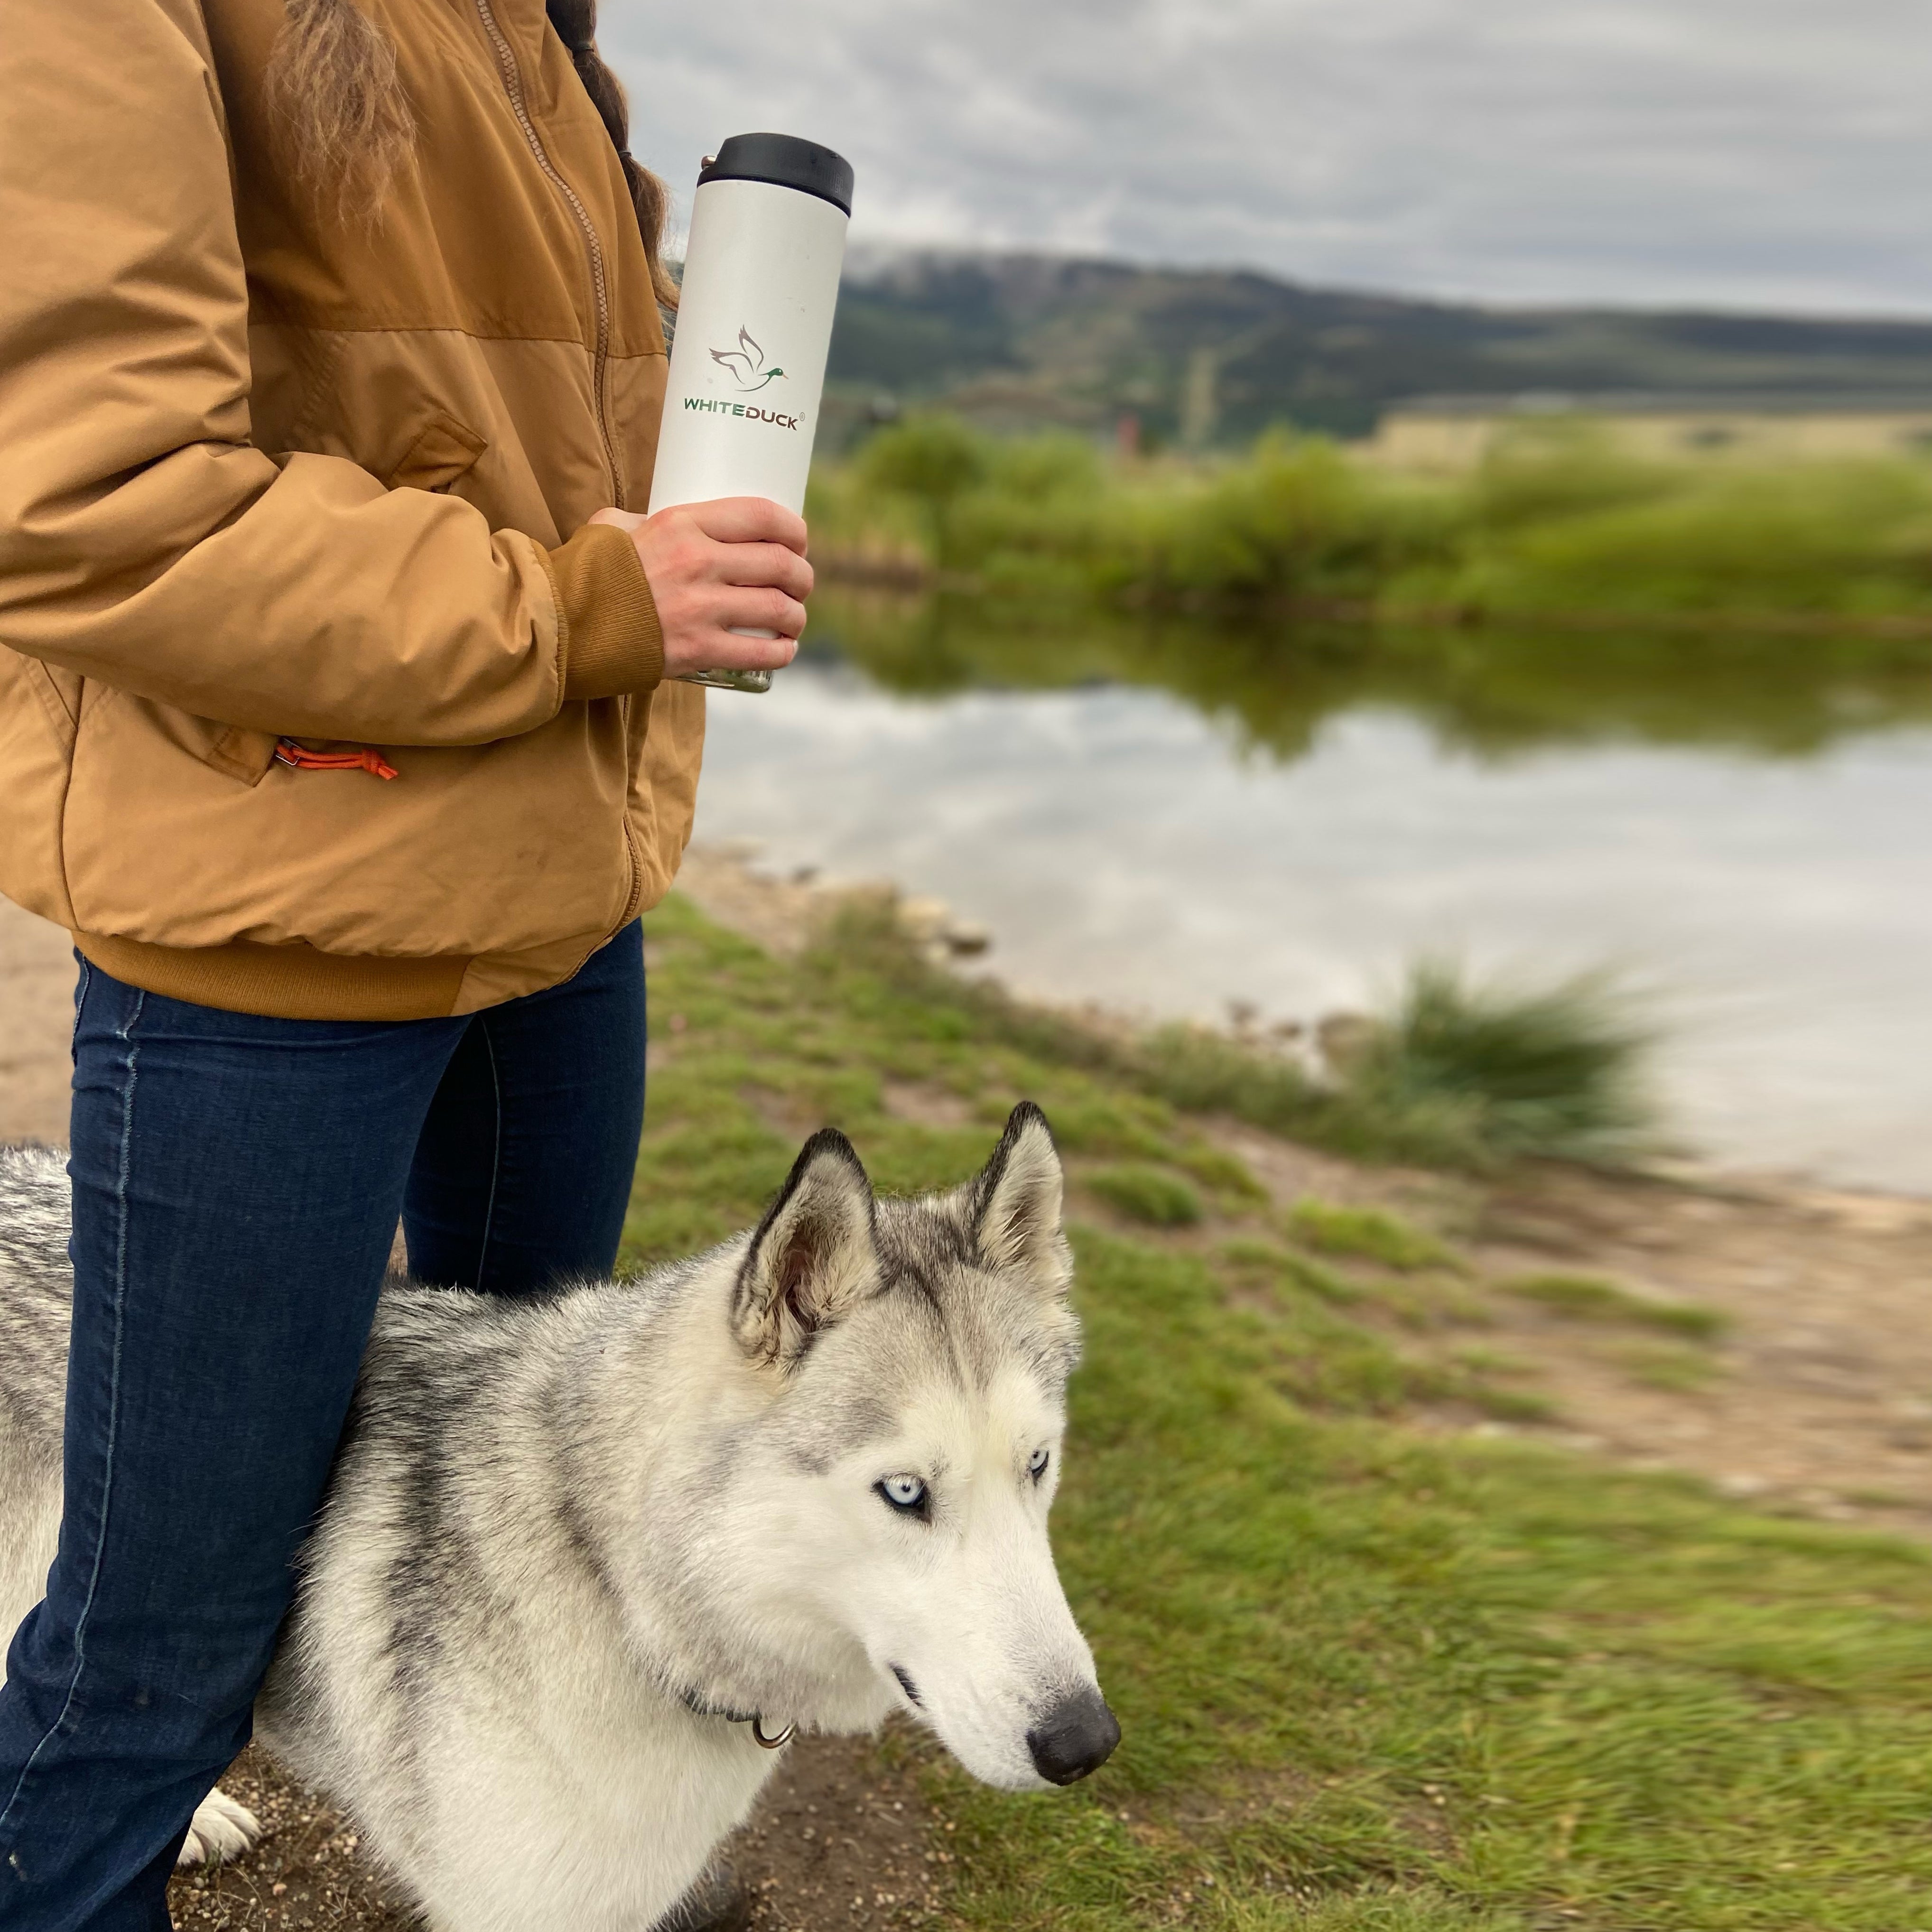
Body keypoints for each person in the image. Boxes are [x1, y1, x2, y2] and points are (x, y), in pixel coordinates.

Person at [0, 2, 805, 1925]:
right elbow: (89, 500)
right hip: (280, 927)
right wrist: (593, 600)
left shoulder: (529, 24)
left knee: (531, 1507)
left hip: (549, 899)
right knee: (162, 1633)